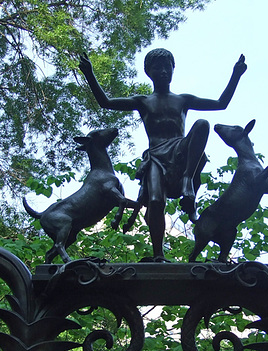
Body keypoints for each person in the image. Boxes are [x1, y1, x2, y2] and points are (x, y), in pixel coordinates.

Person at [79, 48, 247, 261]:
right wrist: (89, 74)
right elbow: (106, 103)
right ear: (149, 71)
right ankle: (158, 255)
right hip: (156, 156)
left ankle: (187, 180)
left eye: (167, 66)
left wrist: (235, 75)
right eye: (157, 67)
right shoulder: (143, 101)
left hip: (181, 151)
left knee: (203, 124)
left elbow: (221, 104)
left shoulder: (183, 100)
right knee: (156, 201)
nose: (163, 71)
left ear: (173, 69)